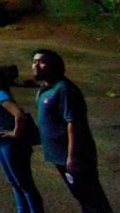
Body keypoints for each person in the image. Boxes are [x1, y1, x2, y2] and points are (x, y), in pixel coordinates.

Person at [33, 49, 114, 213]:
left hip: (74, 156)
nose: (36, 66)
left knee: (92, 198)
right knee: (81, 195)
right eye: (34, 61)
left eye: (41, 62)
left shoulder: (64, 89)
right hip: (58, 155)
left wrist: (73, 156)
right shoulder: (44, 89)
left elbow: (74, 124)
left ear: (54, 66)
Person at [0, 62, 44, 213]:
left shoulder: (0, 94)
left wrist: (15, 133)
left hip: (11, 144)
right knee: (13, 182)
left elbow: (19, 115)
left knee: (24, 183)